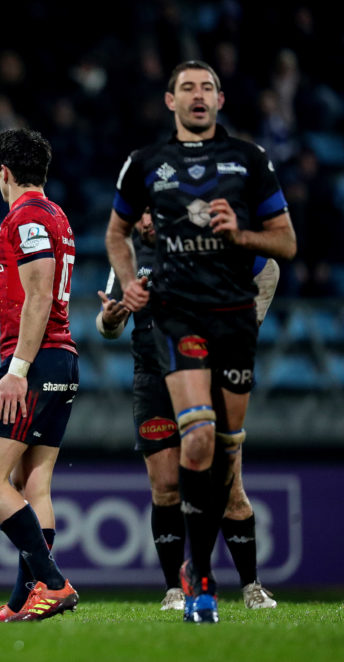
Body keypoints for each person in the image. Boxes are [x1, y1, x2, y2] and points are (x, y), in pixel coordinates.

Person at [105, 60, 297, 624]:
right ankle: (196, 581)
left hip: (231, 328)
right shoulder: (146, 170)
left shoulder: (249, 161)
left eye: (206, 87)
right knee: (189, 453)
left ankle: (247, 581)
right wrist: (125, 298)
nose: (197, 96)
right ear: (170, 101)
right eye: (186, 87)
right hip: (169, 336)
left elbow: (284, 246)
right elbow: (113, 252)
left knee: (226, 465)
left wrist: (238, 233)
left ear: (219, 98)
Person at [97, 208, 279, 611]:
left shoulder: (202, 244)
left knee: (230, 489)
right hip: (152, 380)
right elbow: (108, 326)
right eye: (140, 214)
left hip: (204, 376)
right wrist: (109, 318)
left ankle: (251, 586)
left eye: (151, 213)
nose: (145, 222)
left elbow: (267, 269)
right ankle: (173, 590)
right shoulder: (127, 254)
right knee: (164, 488)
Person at [0, 128, 79, 623]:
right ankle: (23, 600)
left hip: (32, 362)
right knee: (32, 482)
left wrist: (16, 370)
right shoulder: (57, 215)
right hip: (60, 360)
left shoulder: (28, 217)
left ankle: (52, 583)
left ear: (3, 172)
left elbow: (37, 296)